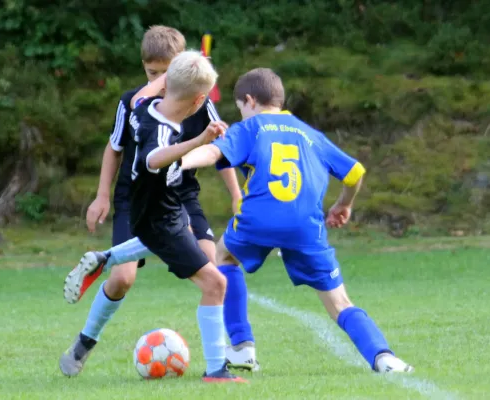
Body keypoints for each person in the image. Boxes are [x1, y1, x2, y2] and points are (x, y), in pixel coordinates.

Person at [149, 67, 414, 374]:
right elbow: (355, 173)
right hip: (306, 226)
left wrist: (180, 162)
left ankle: (242, 347)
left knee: (223, 255)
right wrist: (344, 205)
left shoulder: (251, 129)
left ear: (249, 101)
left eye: (240, 109)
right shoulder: (310, 134)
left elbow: (211, 152)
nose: (242, 115)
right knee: (340, 302)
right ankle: (385, 358)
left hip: (259, 219)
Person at [60, 26, 243, 376]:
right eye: (152, 73)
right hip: (139, 193)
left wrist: (236, 194)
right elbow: (119, 150)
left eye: (166, 72)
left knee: (209, 265)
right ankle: (85, 341)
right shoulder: (136, 104)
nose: (159, 80)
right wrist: (101, 196)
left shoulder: (200, 102)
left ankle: (221, 355)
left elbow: (221, 150)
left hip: (180, 192)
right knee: (124, 279)